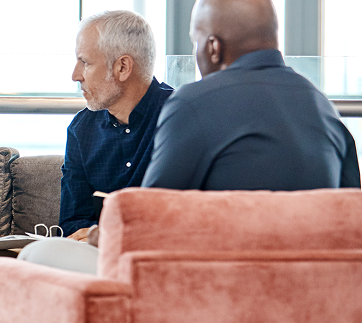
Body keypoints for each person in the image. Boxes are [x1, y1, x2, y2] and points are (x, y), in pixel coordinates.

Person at [142, 0, 360, 190]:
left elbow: (148, 215)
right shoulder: (323, 106)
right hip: (315, 238)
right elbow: (349, 211)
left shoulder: (192, 103)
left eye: (195, 42)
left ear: (214, 47)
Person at [58, 10, 173, 242]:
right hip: (92, 255)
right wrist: (94, 236)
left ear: (122, 67)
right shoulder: (81, 129)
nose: (75, 75)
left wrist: (109, 234)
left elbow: (183, 213)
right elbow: (71, 220)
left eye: (85, 63)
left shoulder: (179, 117)